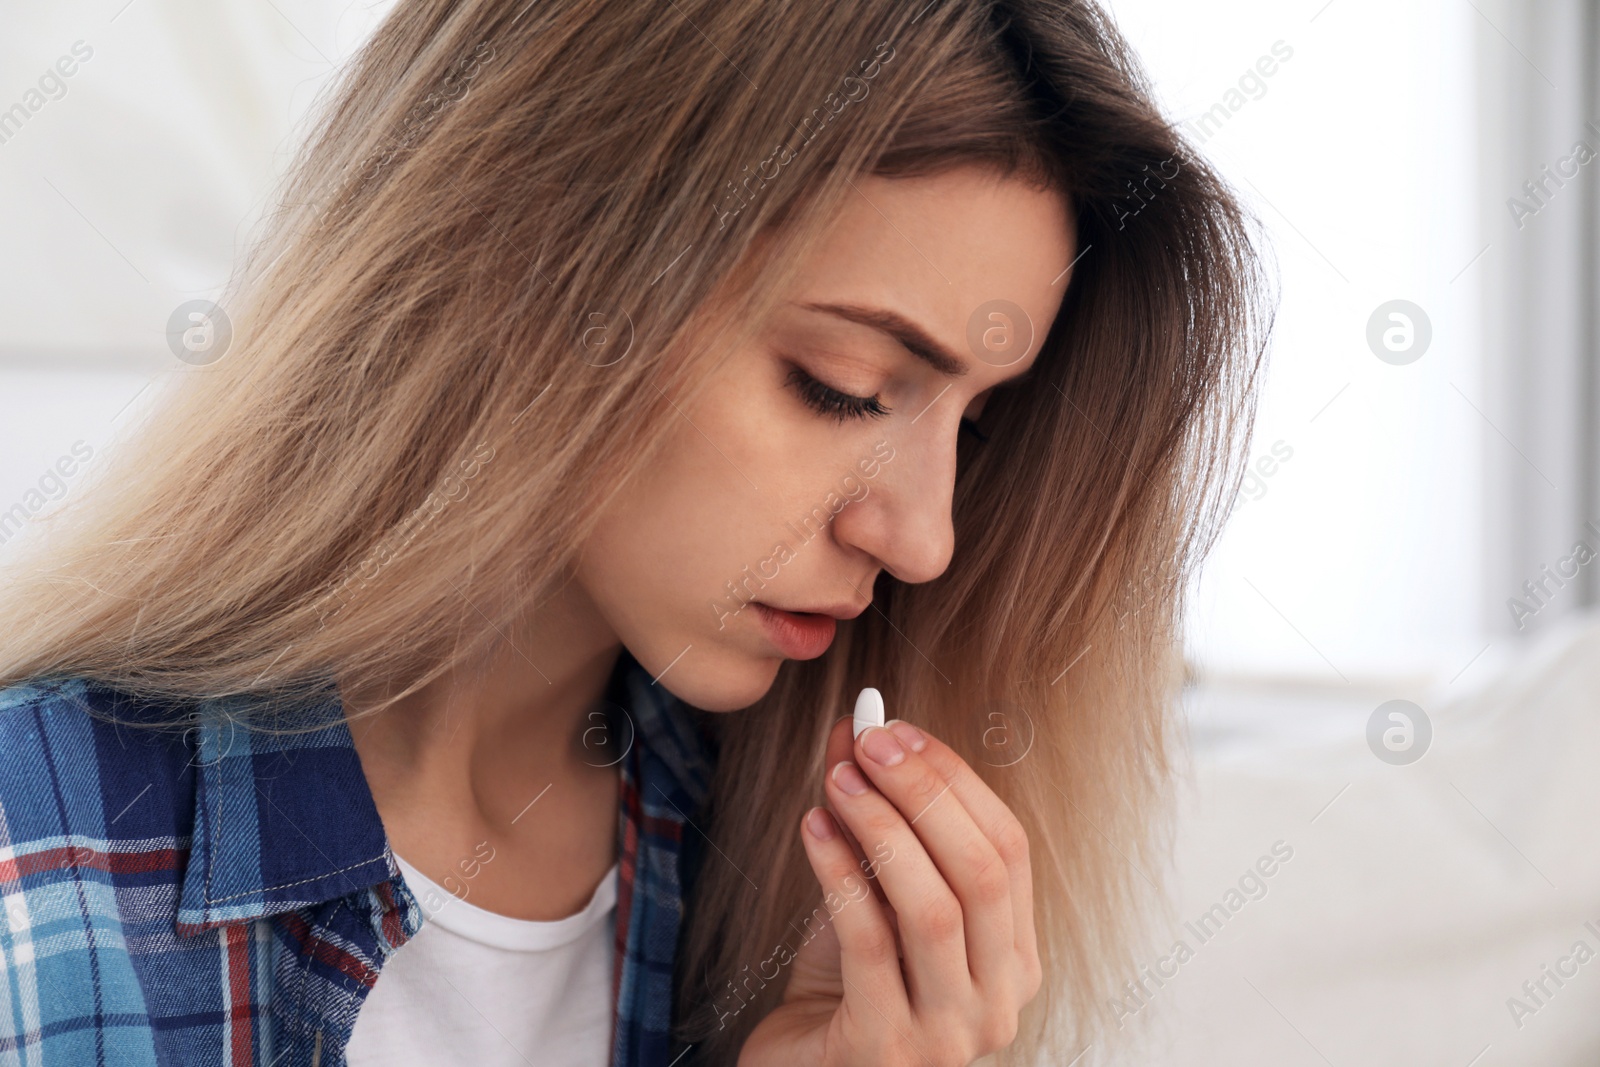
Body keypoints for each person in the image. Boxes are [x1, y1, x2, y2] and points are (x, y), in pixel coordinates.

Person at [0, 0, 1269, 1064]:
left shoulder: (764, 881)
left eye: (974, 429)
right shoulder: (38, 864)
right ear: (526, 267)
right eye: (843, 385)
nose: (925, 539)